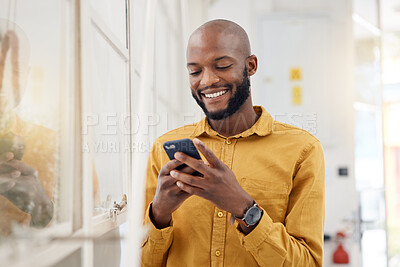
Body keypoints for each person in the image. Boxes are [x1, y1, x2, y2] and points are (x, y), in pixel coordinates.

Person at [141, 19, 325, 266]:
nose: (207, 81)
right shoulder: (164, 150)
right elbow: (142, 261)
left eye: (222, 66)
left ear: (250, 66)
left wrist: (244, 208)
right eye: (195, 71)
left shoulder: (303, 151)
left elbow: (309, 263)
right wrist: (160, 214)